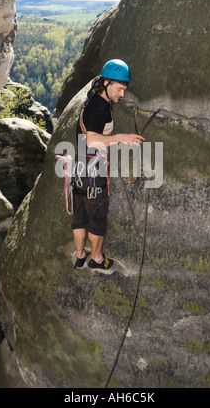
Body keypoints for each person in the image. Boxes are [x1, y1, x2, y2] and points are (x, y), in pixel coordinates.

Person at [72, 59, 144, 271]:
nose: (122, 94)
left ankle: (79, 255)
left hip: (78, 170)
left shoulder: (92, 100)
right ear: (106, 83)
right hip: (94, 172)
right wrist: (122, 137)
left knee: (79, 217)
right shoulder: (100, 107)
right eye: (120, 89)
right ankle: (96, 259)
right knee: (96, 221)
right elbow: (93, 140)